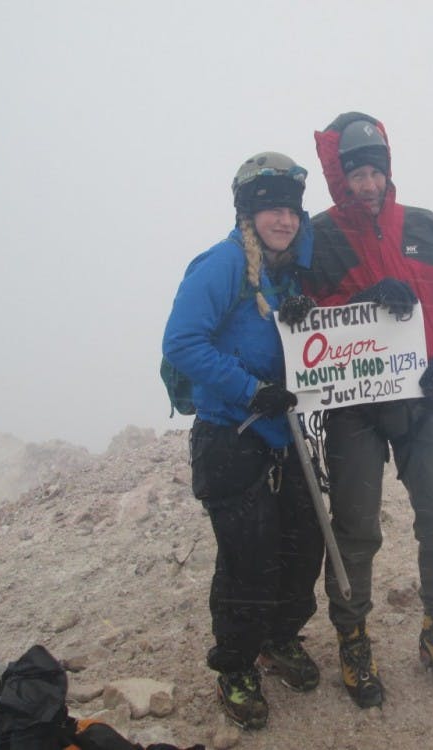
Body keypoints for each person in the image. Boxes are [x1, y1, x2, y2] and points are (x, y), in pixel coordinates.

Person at [290, 112, 433, 707]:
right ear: (339, 179)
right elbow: (302, 312)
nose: (368, 185)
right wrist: (359, 300)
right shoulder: (318, 237)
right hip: (355, 410)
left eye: (375, 171)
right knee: (354, 531)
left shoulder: (425, 226)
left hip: (425, 401)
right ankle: (353, 637)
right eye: (357, 175)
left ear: (388, 170)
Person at [162, 152, 325, 730]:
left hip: (285, 437)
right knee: (248, 558)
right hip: (230, 435)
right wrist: (250, 389)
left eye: (291, 208)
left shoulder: (288, 272)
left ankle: (278, 640)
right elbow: (181, 341)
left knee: (304, 545)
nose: (283, 218)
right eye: (271, 208)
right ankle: (234, 665)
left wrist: (306, 317)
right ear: (249, 214)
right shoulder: (225, 264)